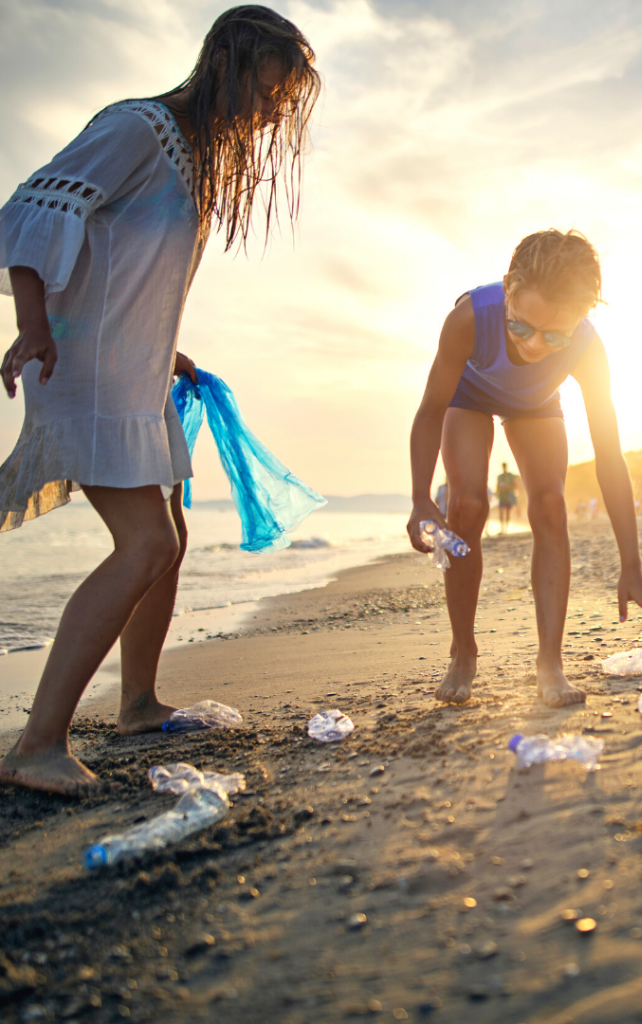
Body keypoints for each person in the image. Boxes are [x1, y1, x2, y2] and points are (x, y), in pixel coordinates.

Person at [0, 6, 321, 794]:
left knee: (169, 529)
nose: (272, 111)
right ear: (227, 64)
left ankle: (137, 702)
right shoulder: (139, 128)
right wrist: (32, 325)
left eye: (283, 101)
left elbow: (127, 267)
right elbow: (32, 210)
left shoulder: (197, 155)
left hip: (134, 371)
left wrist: (162, 350)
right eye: (269, 90)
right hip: (79, 368)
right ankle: (36, 745)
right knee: (144, 544)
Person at [407, 229, 642, 707]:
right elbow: (429, 411)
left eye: (554, 336)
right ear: (508, 288)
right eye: (521, 327)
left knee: (550, 504)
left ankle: (550, 663)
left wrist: (631, 564)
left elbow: (610, 455)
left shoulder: (587, 348)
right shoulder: (469, 318)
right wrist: (421, 497)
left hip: (534, 404)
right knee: (467, 505)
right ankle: (463, 652)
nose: (533, 346)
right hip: (468, 397)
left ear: (582, 318)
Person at [496, 461, 518, 533]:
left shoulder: (511, 476)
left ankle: (506, 529)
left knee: (508, 512)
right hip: (502, 496)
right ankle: (502, 529)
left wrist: (506, 487)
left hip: (509, 497)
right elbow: (498, 488)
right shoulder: (500, 477)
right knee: (501, 512)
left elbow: (515, 486)